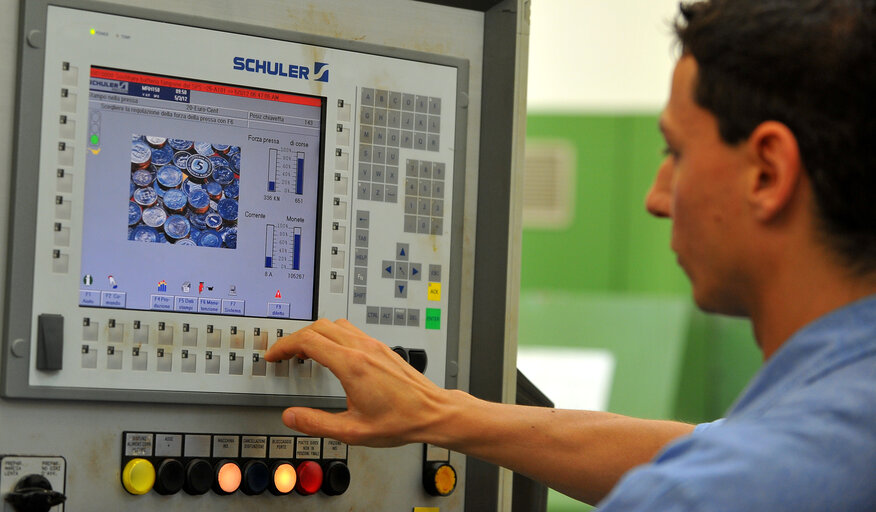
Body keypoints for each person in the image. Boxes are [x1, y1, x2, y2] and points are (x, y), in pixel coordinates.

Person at [266, 0, 876, 508]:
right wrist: (441, 413)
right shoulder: (836, 416)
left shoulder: (709, 494)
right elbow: (699, 446)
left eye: (675, 153)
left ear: (768, 172)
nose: (656, 197)